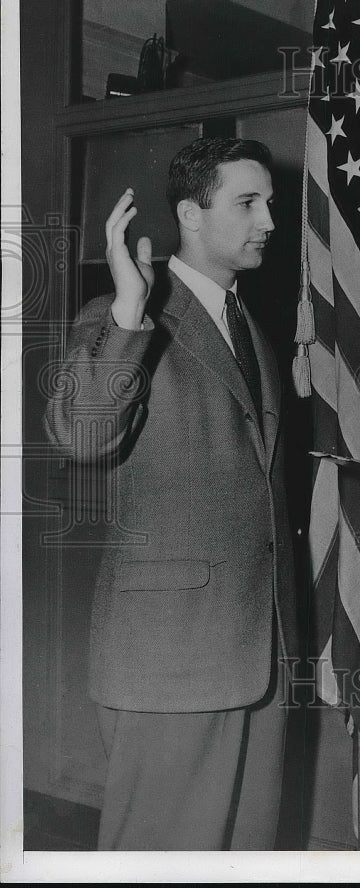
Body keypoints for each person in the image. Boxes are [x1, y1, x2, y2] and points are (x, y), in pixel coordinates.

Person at [44, 136, 298, 850]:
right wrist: (129, 309)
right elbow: (82, 436)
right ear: (191, 212)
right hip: (171, 659)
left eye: (270, 203)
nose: (269, 221)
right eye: (248, 203)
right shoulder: (121, 312)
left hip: (259, 652)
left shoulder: (249, 325)